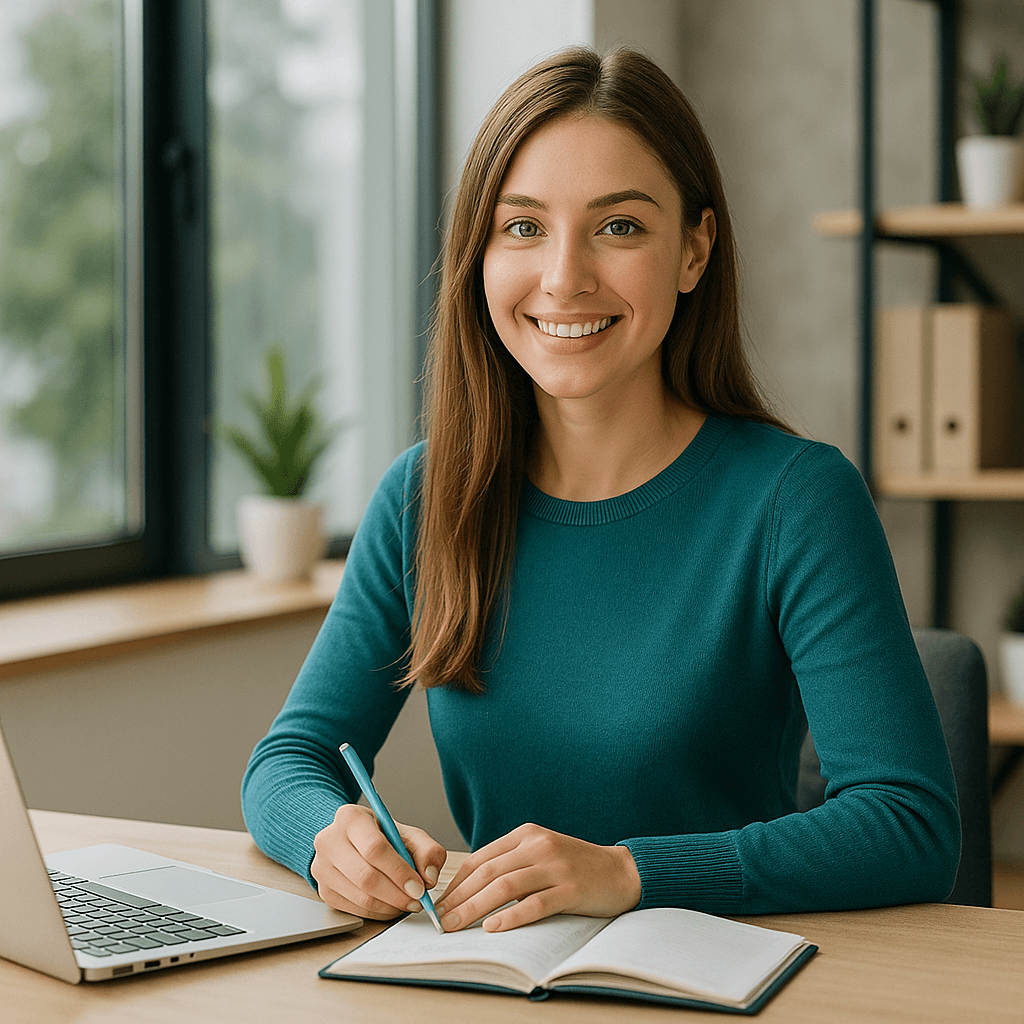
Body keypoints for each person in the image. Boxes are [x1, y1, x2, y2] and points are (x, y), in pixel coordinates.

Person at [242, 45, 960, 934]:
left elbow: (911, 825)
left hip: (725, 976)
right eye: (523, 226)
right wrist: (330, 837)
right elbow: (288, 760)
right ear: (479, 254)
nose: (564, 277)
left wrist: (631, 872)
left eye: (619, 227)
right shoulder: (425, 498)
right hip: (505, 977)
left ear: (694, 250)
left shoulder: (796, 500)